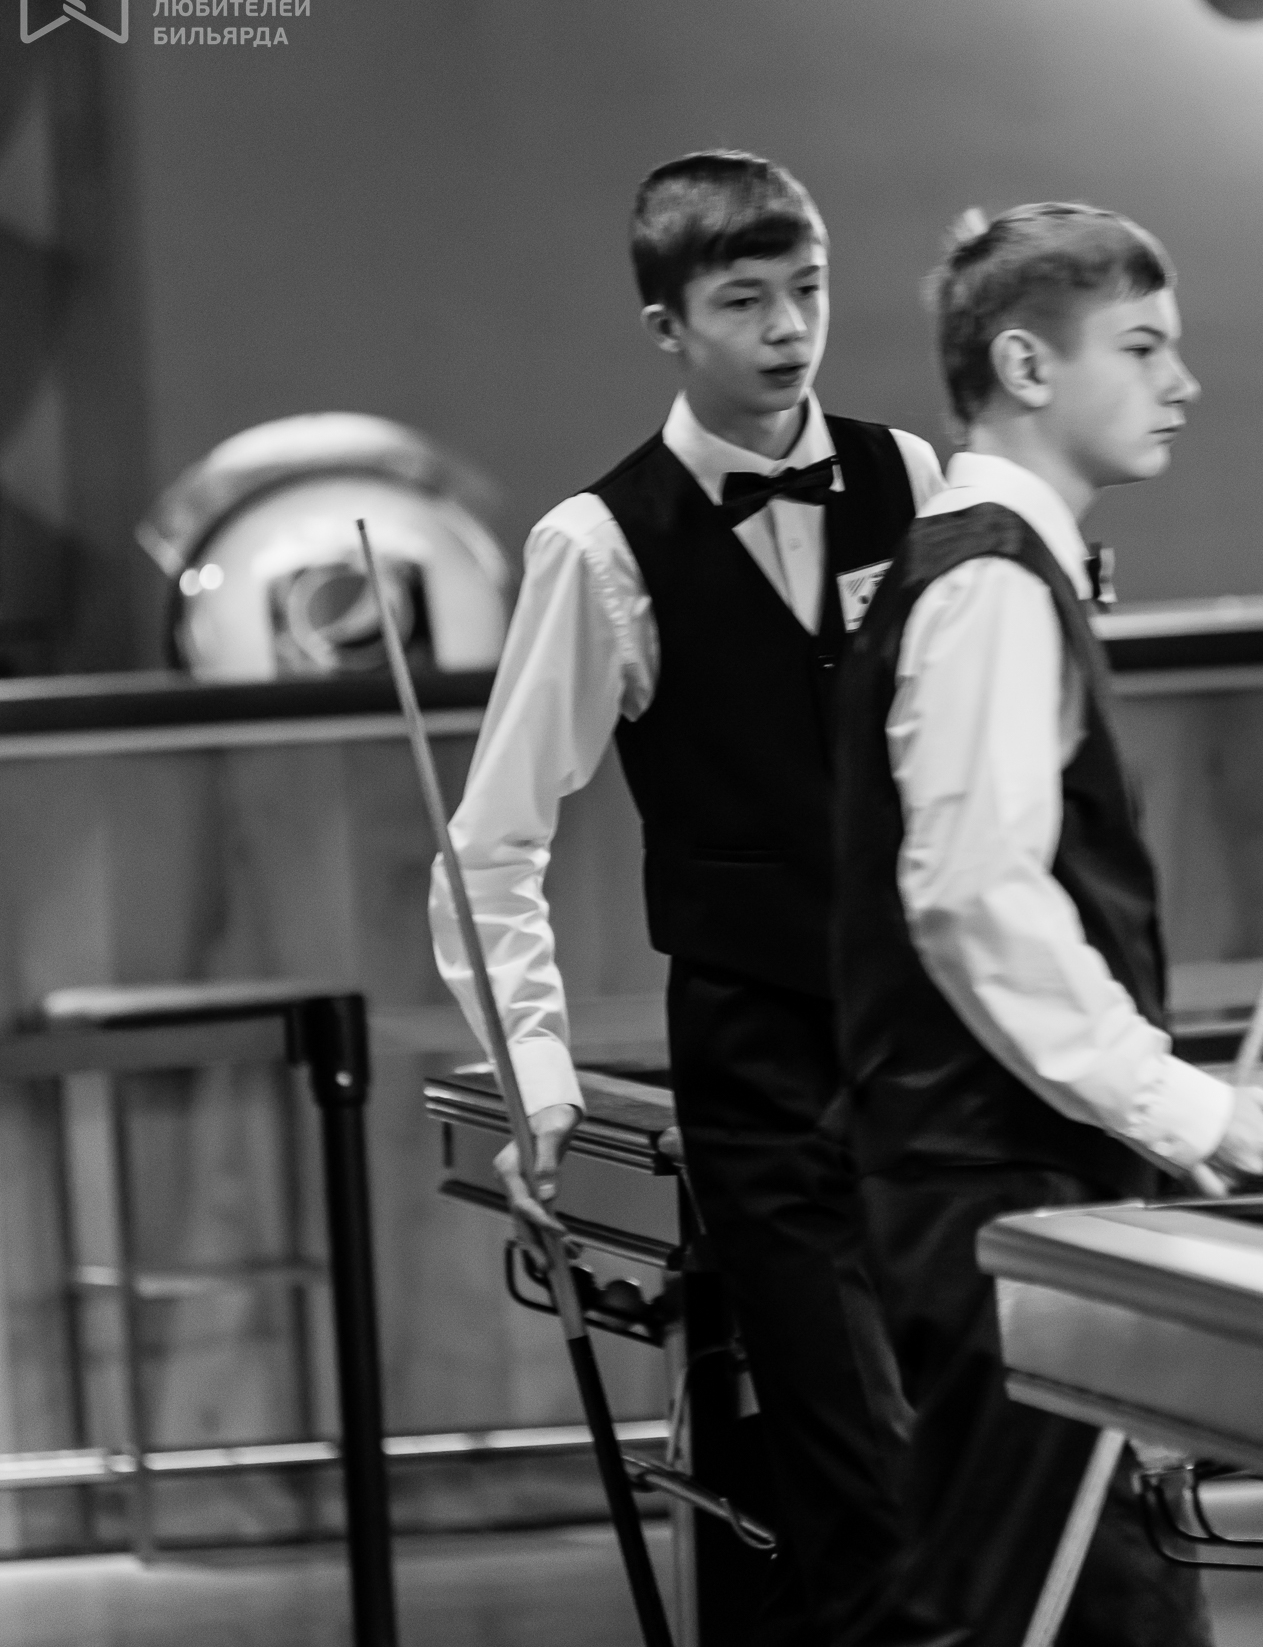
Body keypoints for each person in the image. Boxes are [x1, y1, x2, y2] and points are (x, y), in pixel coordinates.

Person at [430, 149, 942, 1645]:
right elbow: (489, 846)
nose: (789, 328)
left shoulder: (913, 477)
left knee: (984, 1472)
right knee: (865, 1490)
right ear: (666, 325)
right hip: (765, 1073)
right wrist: (534, 1071)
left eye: (810, 290)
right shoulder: (598, 545)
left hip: (930, 1052)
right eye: (744, 300)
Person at [832, 202, 1263, 1647]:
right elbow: (971, 892)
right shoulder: (989, 578)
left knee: (1072, 1606)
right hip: (1000, 1189)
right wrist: (1173, 1101)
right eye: (1144, 346)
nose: (1183, 382)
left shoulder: (986, 560)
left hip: (998, 1178)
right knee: (1061, 1614)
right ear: (1027, 366)